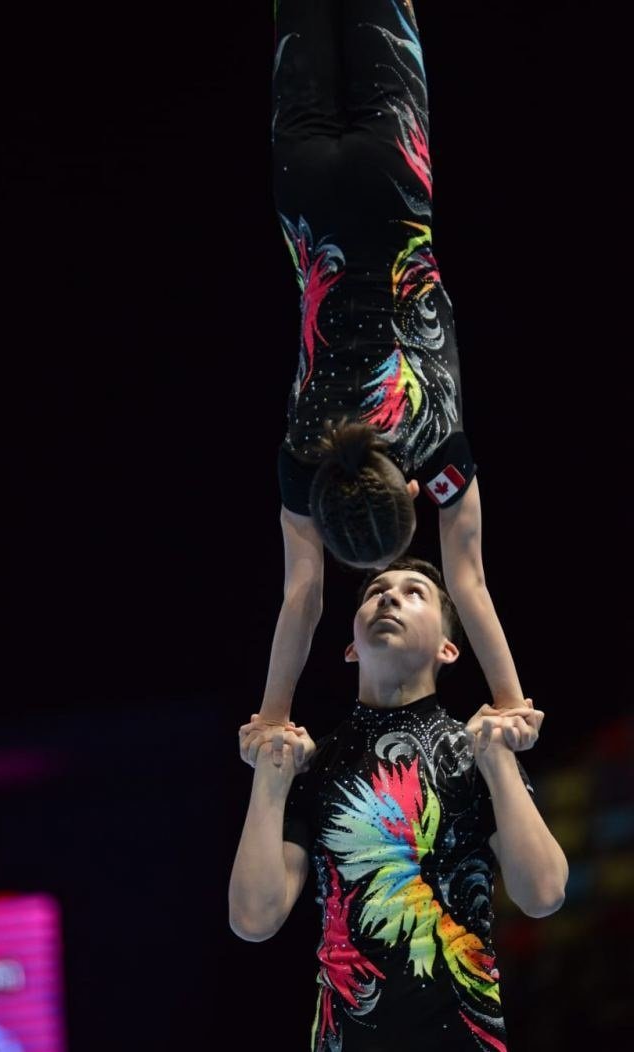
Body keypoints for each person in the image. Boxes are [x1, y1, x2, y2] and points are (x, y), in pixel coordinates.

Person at [262, 0, 525, 732]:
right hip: (305, 194)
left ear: (412, 490)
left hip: (392, 183)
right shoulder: (302, 462)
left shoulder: (439, 451)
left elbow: (468, 581)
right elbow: (302, 599)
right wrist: (272, 713)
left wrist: (510, 698)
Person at [229, 557, 568, 1050]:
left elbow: (544, 894)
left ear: (448, 649)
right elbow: (253, 919)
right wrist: (269, 780)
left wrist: (498, 764)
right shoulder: (317, 766)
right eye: (376, 592)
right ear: (350, 649)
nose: (388, 597)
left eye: (414, 593)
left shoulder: (474, 750)